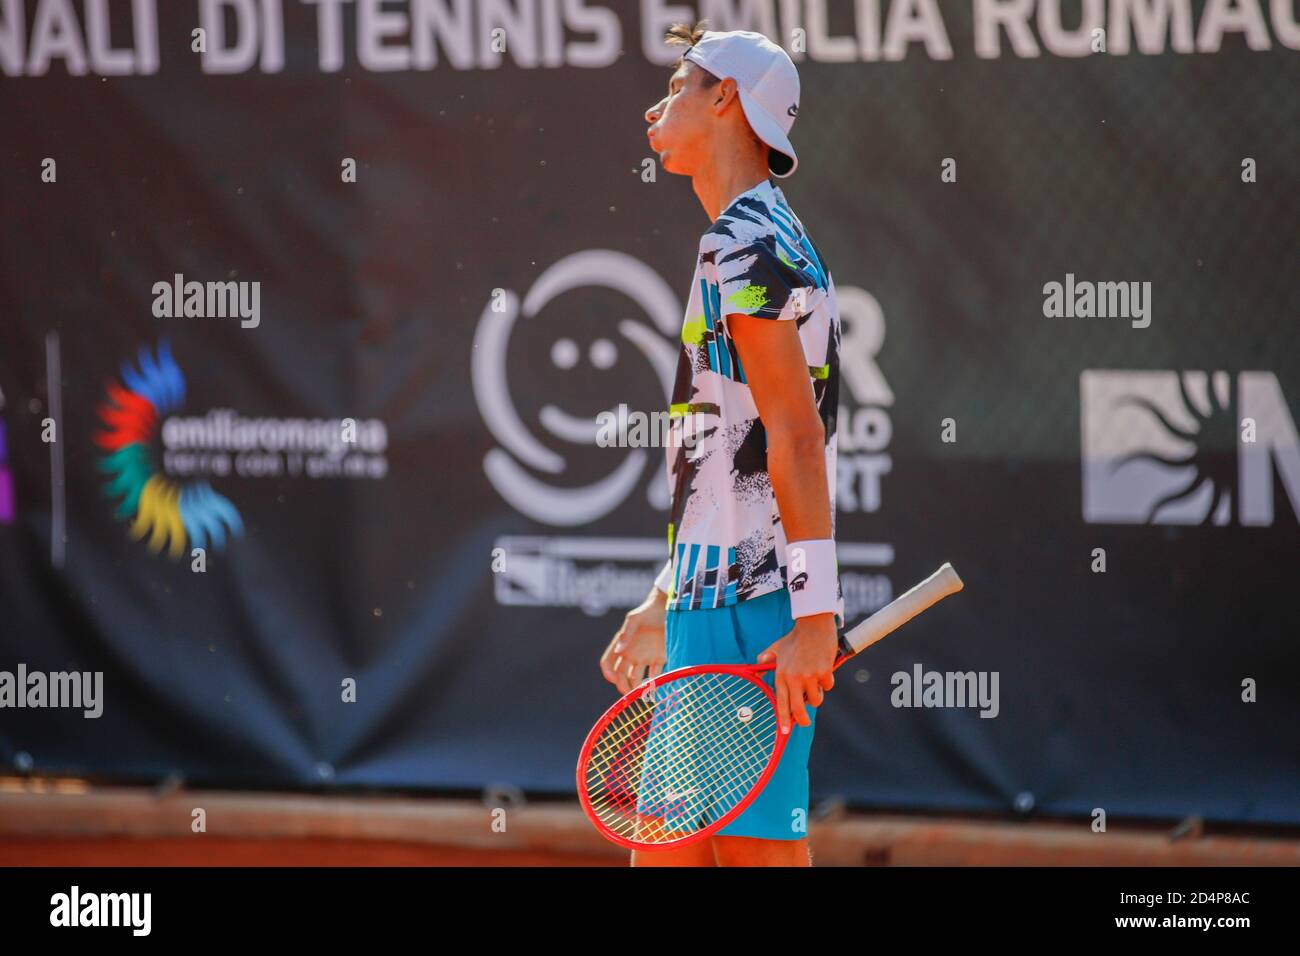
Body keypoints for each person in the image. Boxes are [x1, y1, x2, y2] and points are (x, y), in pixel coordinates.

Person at [599, 21, 844, 867]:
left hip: (755, 616)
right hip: (711, 608)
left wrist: (815, 618)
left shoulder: (747, 243)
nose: (656, 105)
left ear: (725, 100)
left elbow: (796, 437)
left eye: (678, 85)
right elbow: (726, 458)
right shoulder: (745, 237)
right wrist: (667, 596)